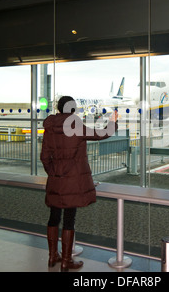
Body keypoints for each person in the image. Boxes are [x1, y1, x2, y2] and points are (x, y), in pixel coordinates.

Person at [40, 96, 118, 272]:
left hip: (55, 180)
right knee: (69, 219)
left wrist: (53, 172)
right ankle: (67, 261)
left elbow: (44, 157)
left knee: (53, 216)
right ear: (73, 109)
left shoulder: (50, 127)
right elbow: (101, 134)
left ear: (59, 108)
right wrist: (112, 123)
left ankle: (52, 256)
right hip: (73, 181)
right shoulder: (75, 125)